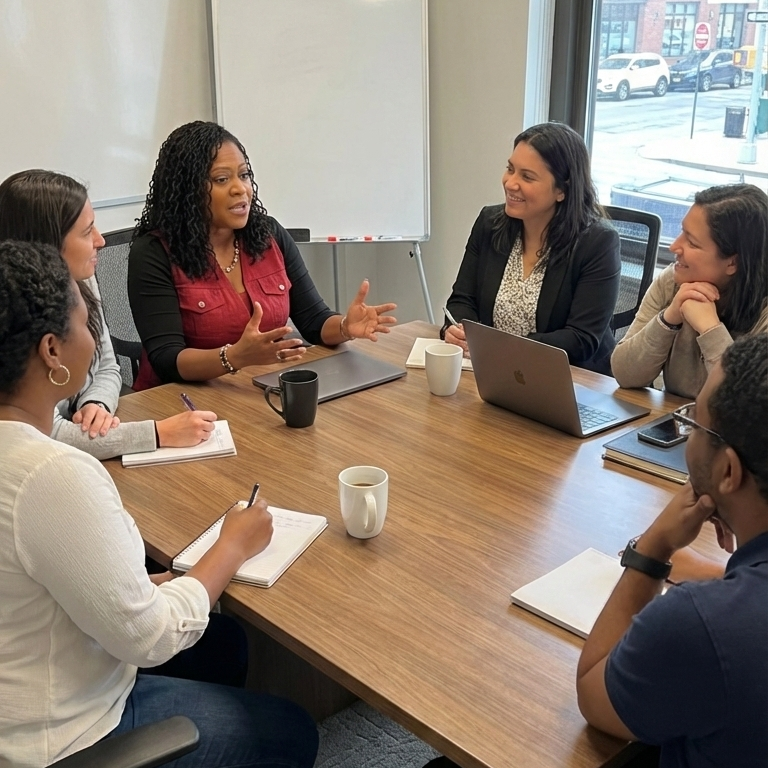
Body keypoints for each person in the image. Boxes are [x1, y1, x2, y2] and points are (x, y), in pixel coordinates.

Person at [0, 239, 318, 768]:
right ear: (52, 352)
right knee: (291, 732)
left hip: (32, 671)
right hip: (62, 738)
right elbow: (151, 637)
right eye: (85, 325)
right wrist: (231, 546)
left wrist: (158, 581)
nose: (94, 337)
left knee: (226, 644)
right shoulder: (50, 476)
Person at [577, 333, 768, 768]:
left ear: (728, 470)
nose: (687, 435)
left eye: (693, 423)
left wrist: (654, 546)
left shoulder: (700, 625)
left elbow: (592, 692)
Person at [128, 120, 397, 390]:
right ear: (187, 190)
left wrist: (345, 327)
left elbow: (314, 320)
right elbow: (166, 358)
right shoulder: (154, 253)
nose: (240, 189)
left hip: (258, 390)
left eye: (244, 175)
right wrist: (233, 357)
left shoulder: (268, 235)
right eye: (222, 179)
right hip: (181, 404)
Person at [0, 170, 216, 459]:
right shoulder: (13, 312)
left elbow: (107, 365)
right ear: (48, 242)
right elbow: (41, 435)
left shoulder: (79, 279)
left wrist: (96, 405)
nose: (100, 241)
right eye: (87, 232)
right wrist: (156, 433)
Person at [442, 121, 620, 375]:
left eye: (527, 177)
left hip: (574, 383)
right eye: (510, 169)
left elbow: (581, 339)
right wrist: (458, 330)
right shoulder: (489, 224)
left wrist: (497, 347)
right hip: (498, 373)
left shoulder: (597, 243)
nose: (510, 183)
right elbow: (462, 300)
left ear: (562, 190)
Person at [611, 184, 768, 399]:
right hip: (674, 425)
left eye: (692, 243)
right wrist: (669, 318)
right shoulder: (673, 281)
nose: (674, 246)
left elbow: (745, 407)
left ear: (733, 262)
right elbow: (625, 374)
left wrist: (710, 329)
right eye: (681, 232)